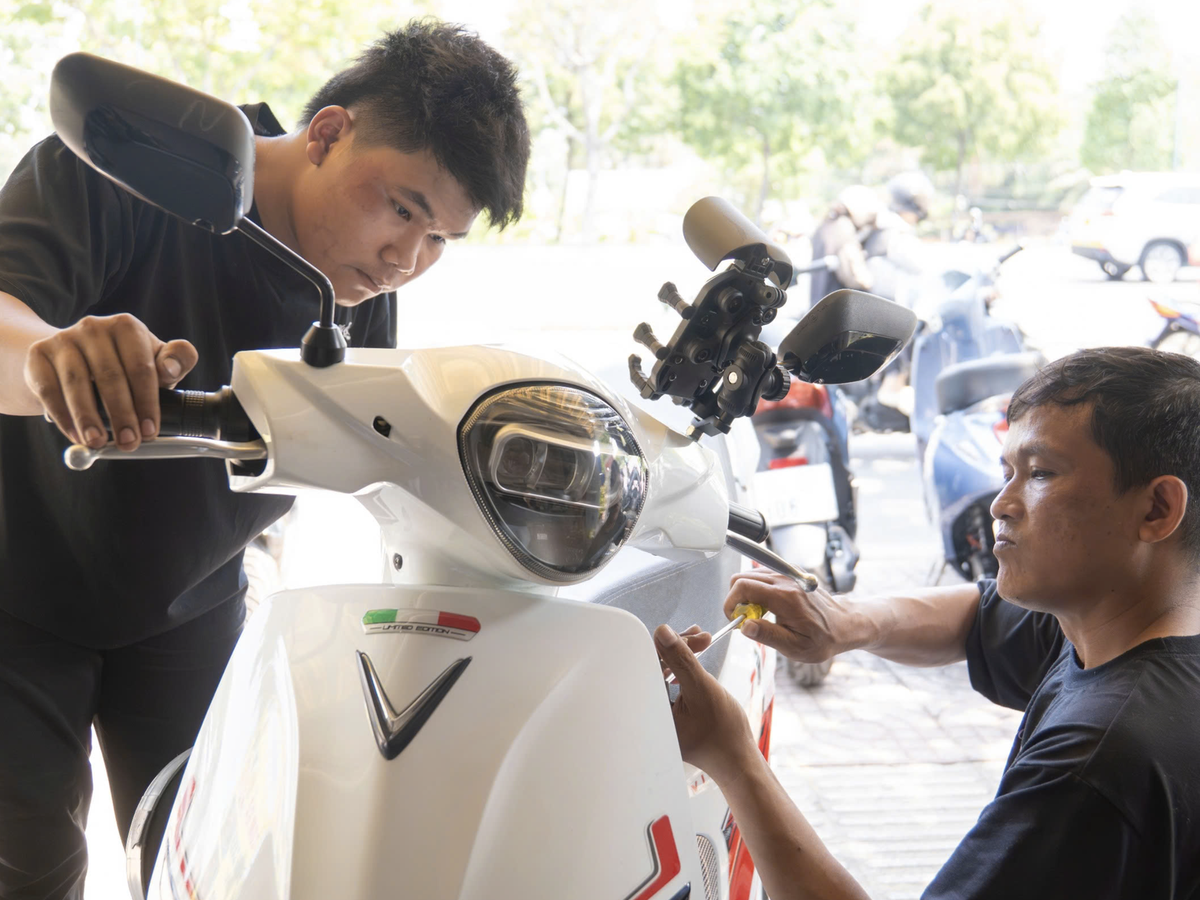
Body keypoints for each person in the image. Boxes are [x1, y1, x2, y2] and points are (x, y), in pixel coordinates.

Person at [0, 19, 529, 899]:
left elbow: (387, 451)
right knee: (34, 870)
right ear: (326, 133)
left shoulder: (357, 285)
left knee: (213, 864)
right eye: (401, 208)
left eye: (440, 239)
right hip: (17, 590)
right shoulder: (134, 168)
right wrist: (48, 354)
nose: (407, 259)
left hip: (189, 604)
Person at [657, 346, 1200, 899]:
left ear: (1157, 509)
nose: (1001, 504)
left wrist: (732, 756)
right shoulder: (1128, 619)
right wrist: (844, 623)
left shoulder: (1095, 766)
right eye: (1006, 472)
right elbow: (975, 616)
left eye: (1040, 473)